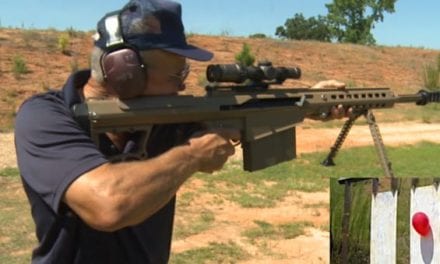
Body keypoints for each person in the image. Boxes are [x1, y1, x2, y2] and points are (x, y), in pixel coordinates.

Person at [14, 0, 347, 263]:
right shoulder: (45, 117)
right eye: (177, 75)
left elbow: (247, 113)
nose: (184, 84)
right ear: (125, 72)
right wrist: (191, 156)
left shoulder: (169, 115)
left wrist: (309, 103)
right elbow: (109, 205)